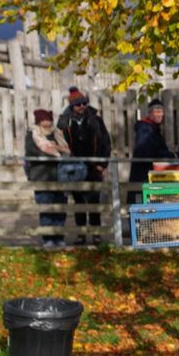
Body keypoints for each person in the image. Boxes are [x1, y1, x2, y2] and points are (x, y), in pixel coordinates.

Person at [57, 90, 111, 245]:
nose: (81, 107)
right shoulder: (65, 122)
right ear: (72, 106)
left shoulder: (95, 120)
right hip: (74, 167)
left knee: (94, 202)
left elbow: (105, 143)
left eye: (84, 103)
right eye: (78, 104)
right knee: (79, 201)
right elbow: (59, 143)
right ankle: (80, 234)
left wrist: (102, 164)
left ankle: (96, 234)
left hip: (94, 167)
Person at [25, 109, 70, 248]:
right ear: (38, 121)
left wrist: (60, 153)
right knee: (46, 208)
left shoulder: (57, 134)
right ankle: (48, 238)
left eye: (49, 119)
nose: (47, 122)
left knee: (60, 208)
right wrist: (55, 155)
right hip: (42, 177)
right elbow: (33, 151)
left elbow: (67, 150)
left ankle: (59, 237)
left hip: (60, 177)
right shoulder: (32, 135)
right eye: (44, 120)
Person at [129, 98, 175, 204]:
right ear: (150, 113)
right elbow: (144, 151)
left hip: (150, 174)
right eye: (157, 112)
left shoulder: (153, 129)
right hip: (144, 175)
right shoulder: (145, 129)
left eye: (161, 112)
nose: (160, 115)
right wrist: (167, 155)